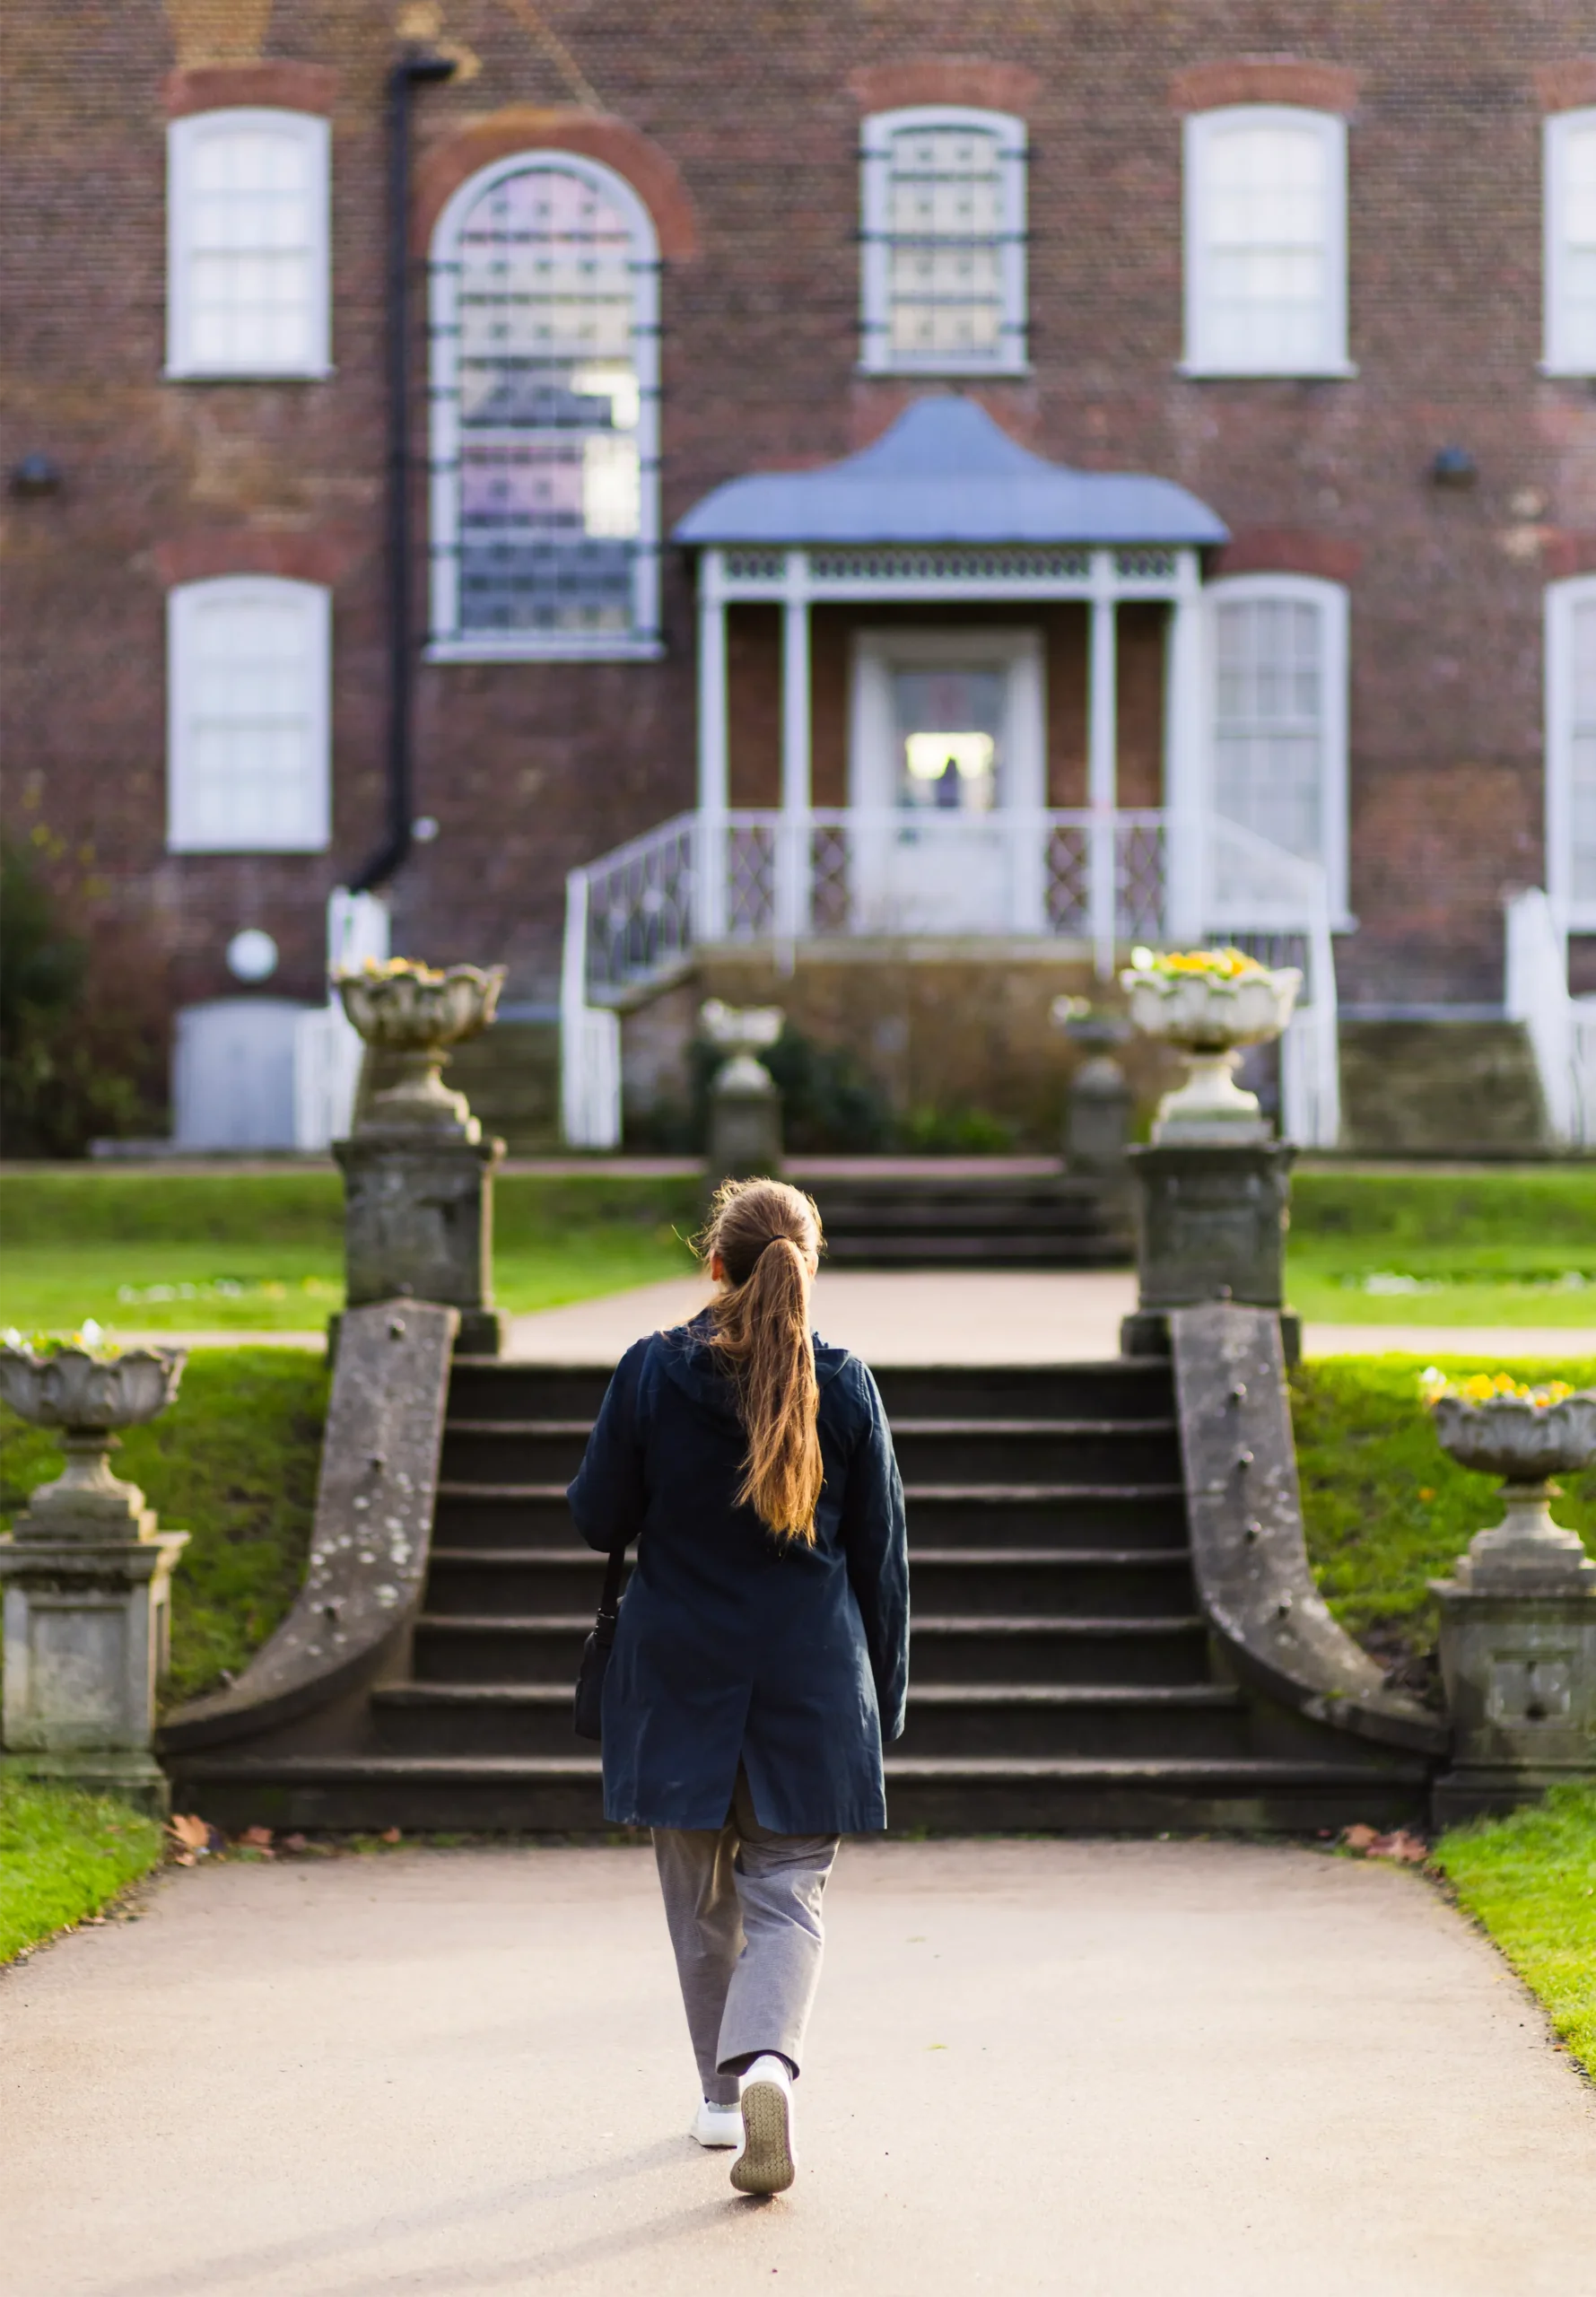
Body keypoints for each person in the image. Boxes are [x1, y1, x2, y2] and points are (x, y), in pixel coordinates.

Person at [567, 1175, 909, 2197]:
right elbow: (880, 1558)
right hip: (807, 1680)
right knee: (789, 1893)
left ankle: (722, 2101)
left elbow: (597, 1517)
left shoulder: (649, 1372)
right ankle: (770, 2063)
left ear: (712, 1263)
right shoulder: (844, 1383)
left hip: (677, 1677)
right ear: (809, 1264)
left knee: (699, 1895)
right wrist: (880, 1704)